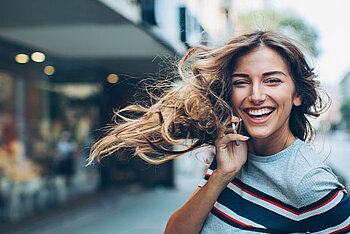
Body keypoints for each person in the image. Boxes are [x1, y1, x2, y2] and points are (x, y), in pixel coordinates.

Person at [88, 30, 350, 233]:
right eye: (241, 82)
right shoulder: (232, 153)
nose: (256, 95)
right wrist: (222, 174)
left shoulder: (309, 182)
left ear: (298, 95)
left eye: (272, 80)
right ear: (229, 93)